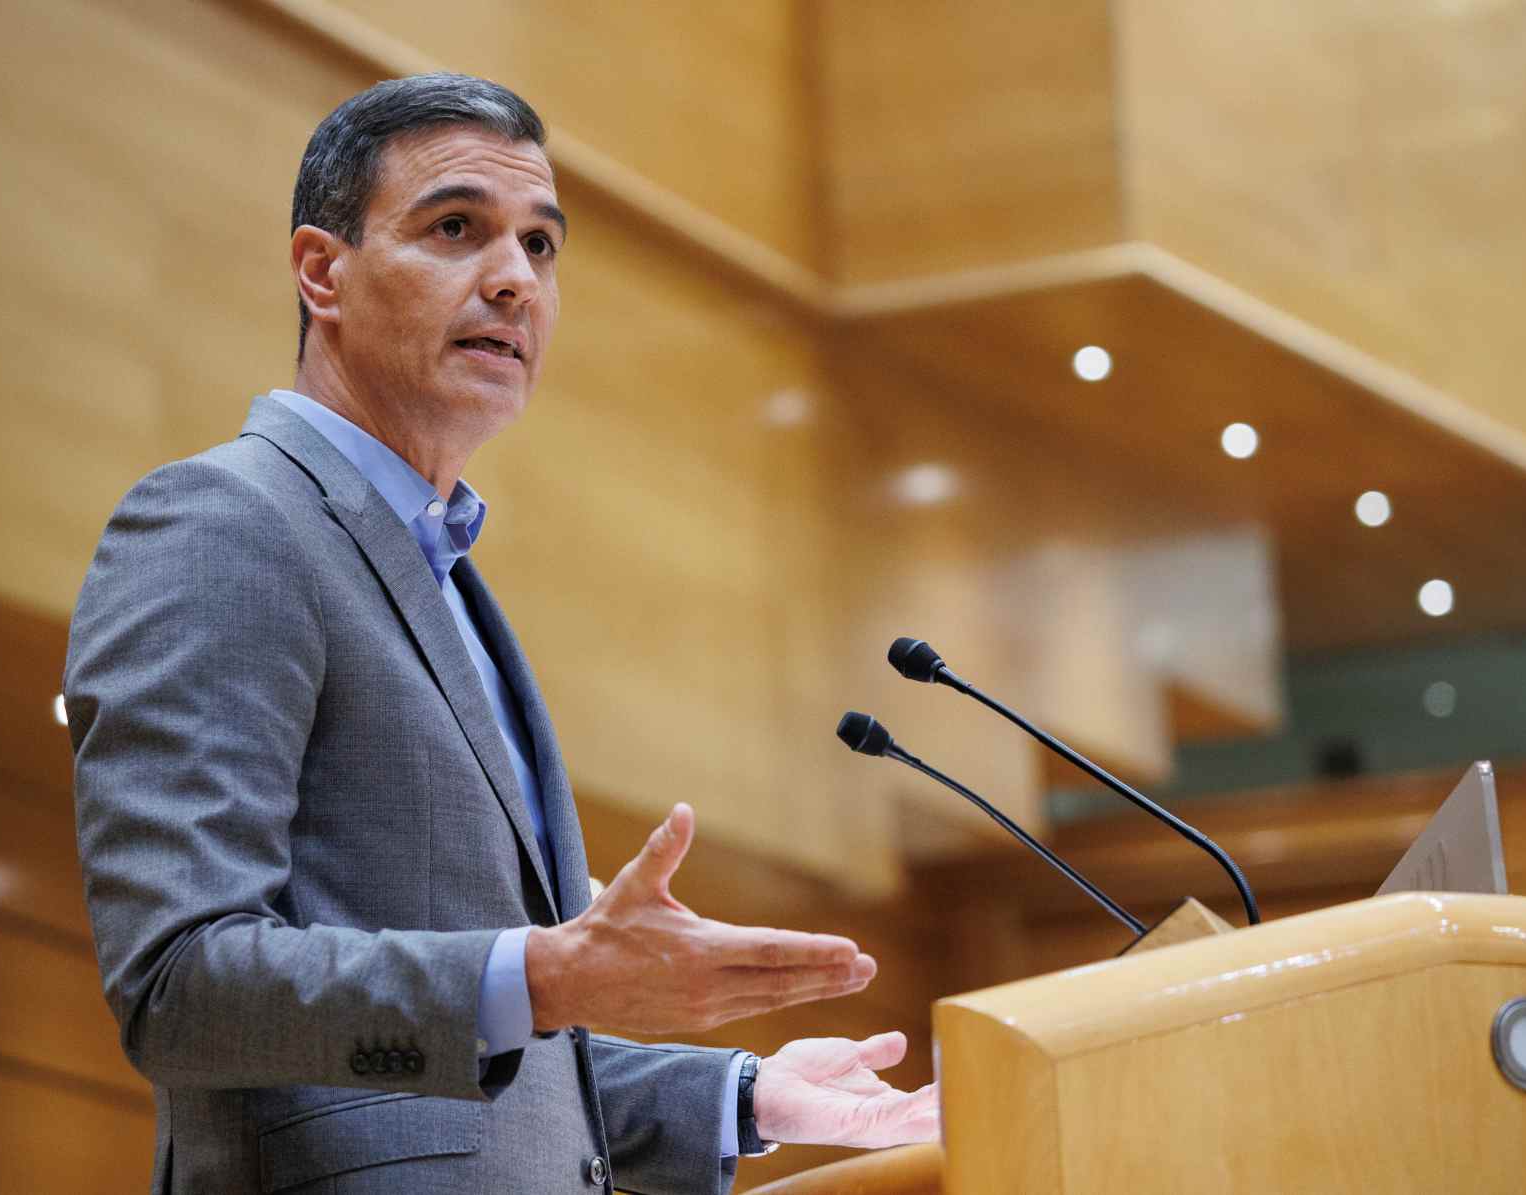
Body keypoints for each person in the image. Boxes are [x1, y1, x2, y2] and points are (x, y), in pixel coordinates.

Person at [64, 73, 937, 1194]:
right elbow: (180, 987)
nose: (515, 280)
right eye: (457, 228)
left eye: (540, 244)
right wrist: (544, 972)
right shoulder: (225, 524)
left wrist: (741, 1096)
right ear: (321, 272)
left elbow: (481, 1059)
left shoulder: (447, 579)